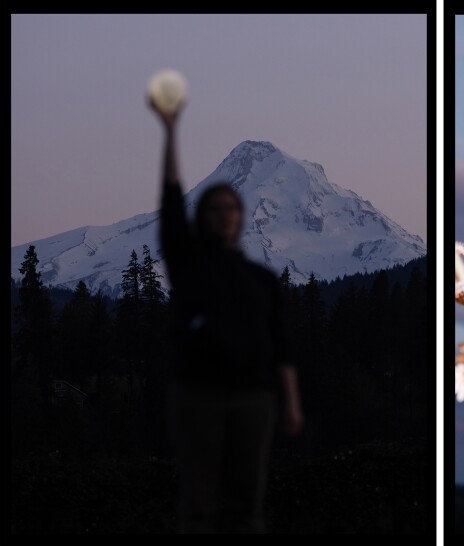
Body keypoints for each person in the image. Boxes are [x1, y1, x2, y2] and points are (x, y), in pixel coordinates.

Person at [149, 95, 304, 533]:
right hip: (197, 395)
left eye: (231, 208)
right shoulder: (188, 262)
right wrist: (171, 131)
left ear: (242, 217)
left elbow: (282, 346)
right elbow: (171, 198)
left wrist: (292, 403)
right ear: (202, 217)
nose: (223, 216)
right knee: (198, 502)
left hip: (253, 398)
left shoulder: (261, 279)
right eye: (214, 208)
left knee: (246, 502)